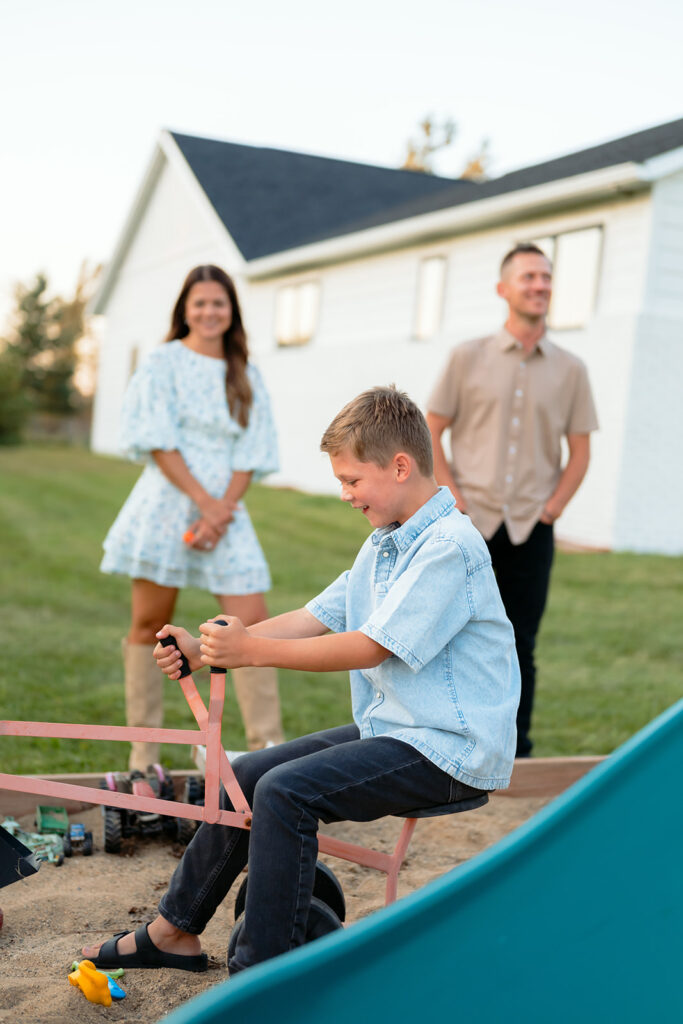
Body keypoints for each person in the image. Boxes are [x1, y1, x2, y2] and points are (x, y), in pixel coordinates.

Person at [83, 385, 519, 976]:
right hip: (396, 729)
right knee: (246, 777)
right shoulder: (385, 544)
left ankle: (259, 974)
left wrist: (251, 651)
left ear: (399, 466)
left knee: (286, 794)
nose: (345, 494)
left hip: (449, 748)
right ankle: (172, 932)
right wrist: (211, 649)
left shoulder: (450, 548)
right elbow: (316, 618)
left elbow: (367, 647)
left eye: (351, 480)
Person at [100, 264, 284, 771]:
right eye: (199, 302)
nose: (208, 312)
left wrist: (220, 511)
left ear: (232, 312)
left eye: (218, 303)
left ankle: (268, 749)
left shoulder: (244, 370)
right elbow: (158, 439)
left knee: (255, 622)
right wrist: (203, 502)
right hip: (168, 501)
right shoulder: (162, 362)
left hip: (226, 509)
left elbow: (252, 448)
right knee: (149, 624)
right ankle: (144, 757)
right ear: (184, 308)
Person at [426, 243, 598, 757]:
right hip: (467, 523)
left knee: (520, 644)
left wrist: (551, 511)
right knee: (448, 635)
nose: (540, 285)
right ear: (504, 289)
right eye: (528, 277)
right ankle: (440, 745)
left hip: (531, 528)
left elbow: (582, 450)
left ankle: (512, 752)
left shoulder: (571, 368)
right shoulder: (466, 356)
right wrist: (452, 498)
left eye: (546, 277)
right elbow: (431, 430)